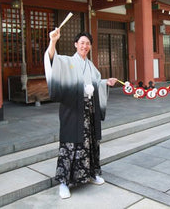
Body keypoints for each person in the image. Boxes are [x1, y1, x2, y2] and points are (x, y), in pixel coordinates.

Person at [44, 28, 117, 199]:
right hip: (72, 110)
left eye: (87, 43)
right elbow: (52, 60)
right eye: (82, 43)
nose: (84, 46)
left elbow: (97, 82)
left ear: (90, 46)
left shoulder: (90, 65)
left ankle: (91, 173)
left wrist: (107, 82)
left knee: (90, 142)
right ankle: (64, 182)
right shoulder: (67, 61)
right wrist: (53, 41)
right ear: (76, 44)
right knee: (70, 144)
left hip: (89, 110)